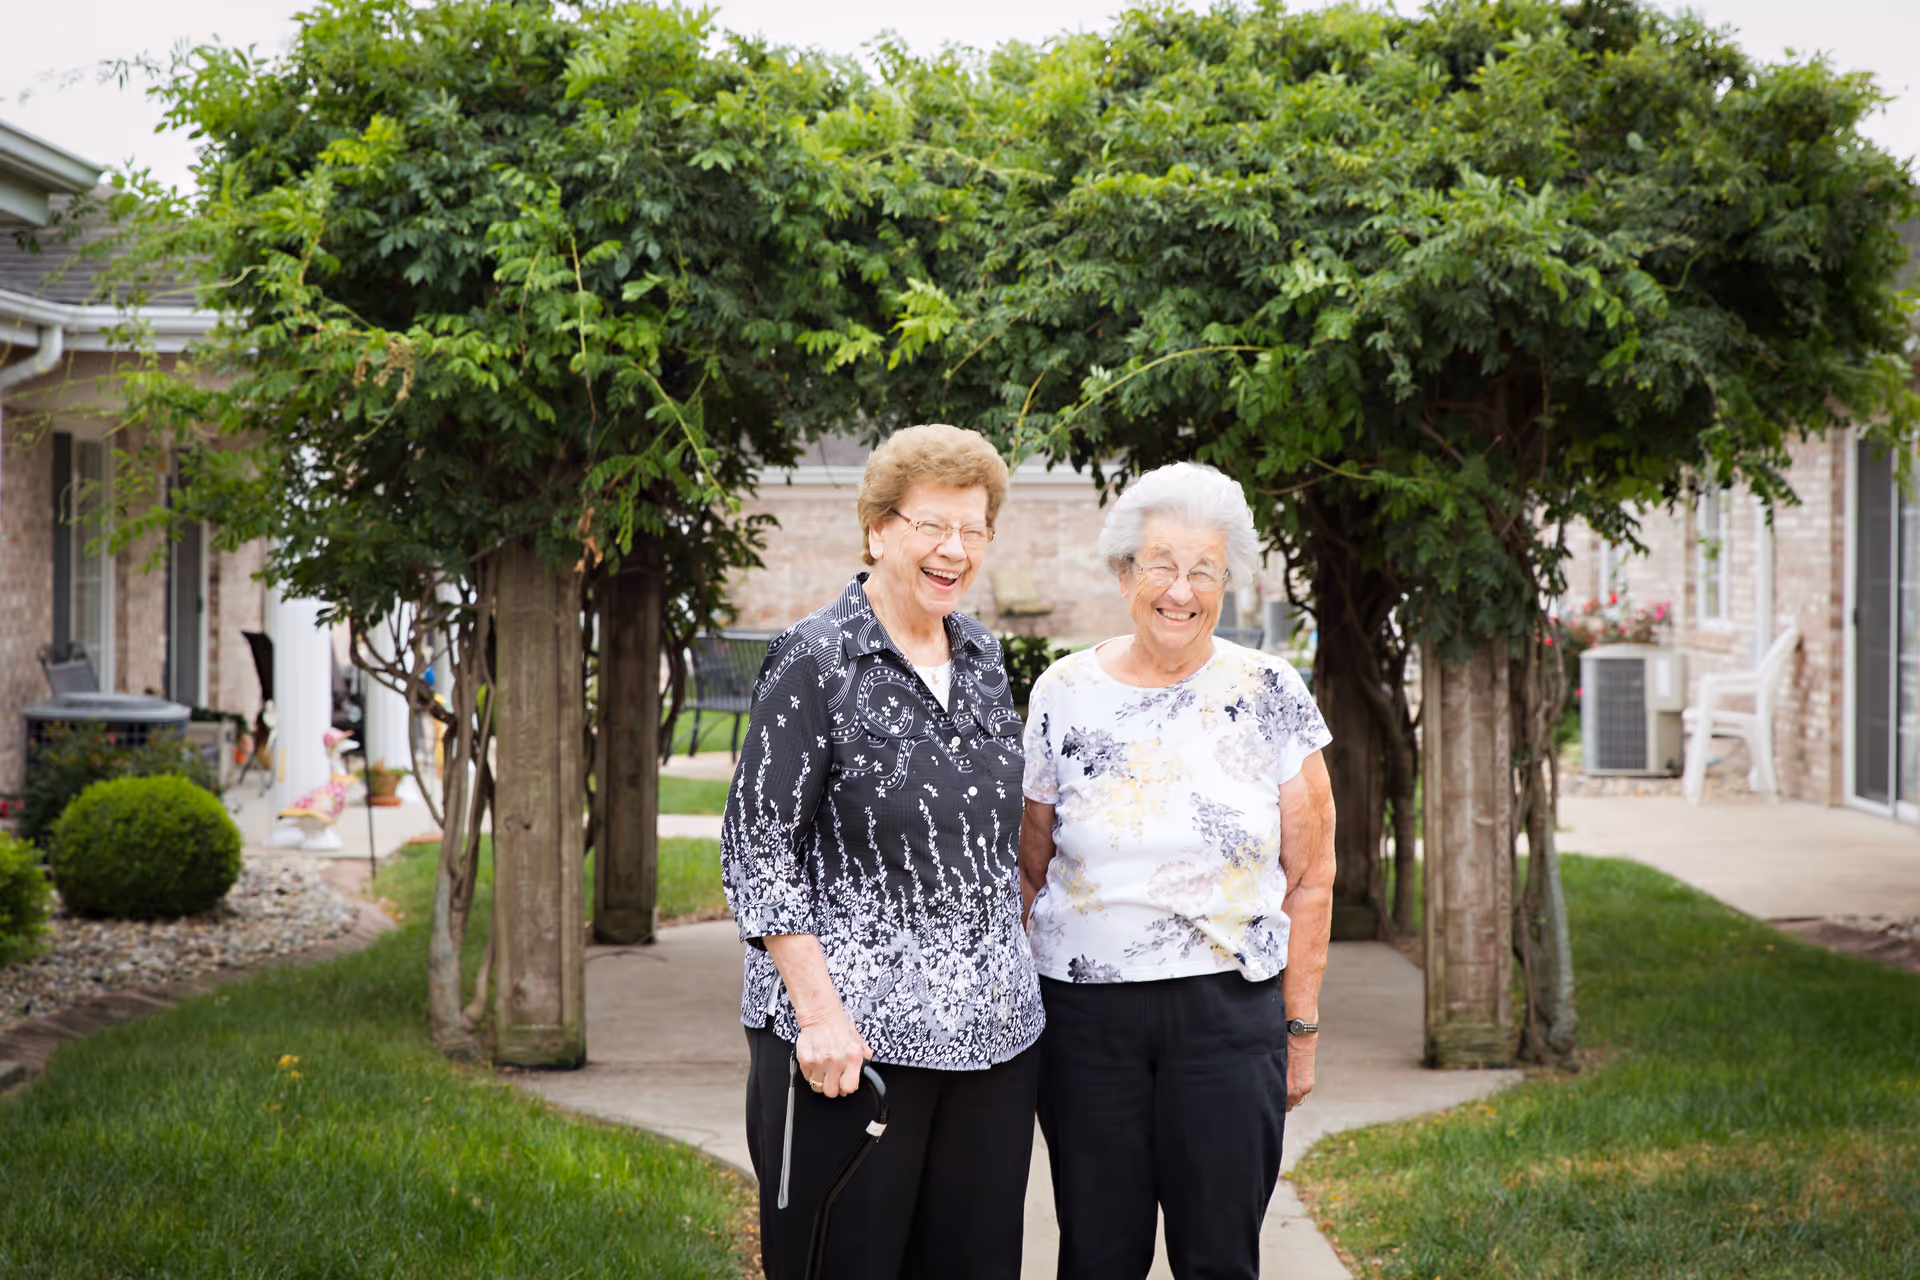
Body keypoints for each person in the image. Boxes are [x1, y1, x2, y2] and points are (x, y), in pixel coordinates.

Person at [722, 424, 1043, 1280]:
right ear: (877, 529)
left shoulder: (982, 657)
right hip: (853, 1052)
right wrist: (820, 1017)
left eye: (974, 530)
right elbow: (759, 847)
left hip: (993, 1044)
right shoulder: (816, 658)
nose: (954, 549)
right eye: (932, 525)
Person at [1018, 461, 1337, 1280]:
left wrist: (1298, 1029)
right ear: (1125, 570)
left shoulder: (1269, 689)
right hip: (1085, 1021)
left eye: (1205, 571)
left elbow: (1312, 876)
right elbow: (1029, 864)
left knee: (1219, 1260)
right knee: (1096, 1255)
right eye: (1161, 564)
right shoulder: (1064, 692)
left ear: (1227, 583)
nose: (1181, 590)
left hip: (1227, 1019)